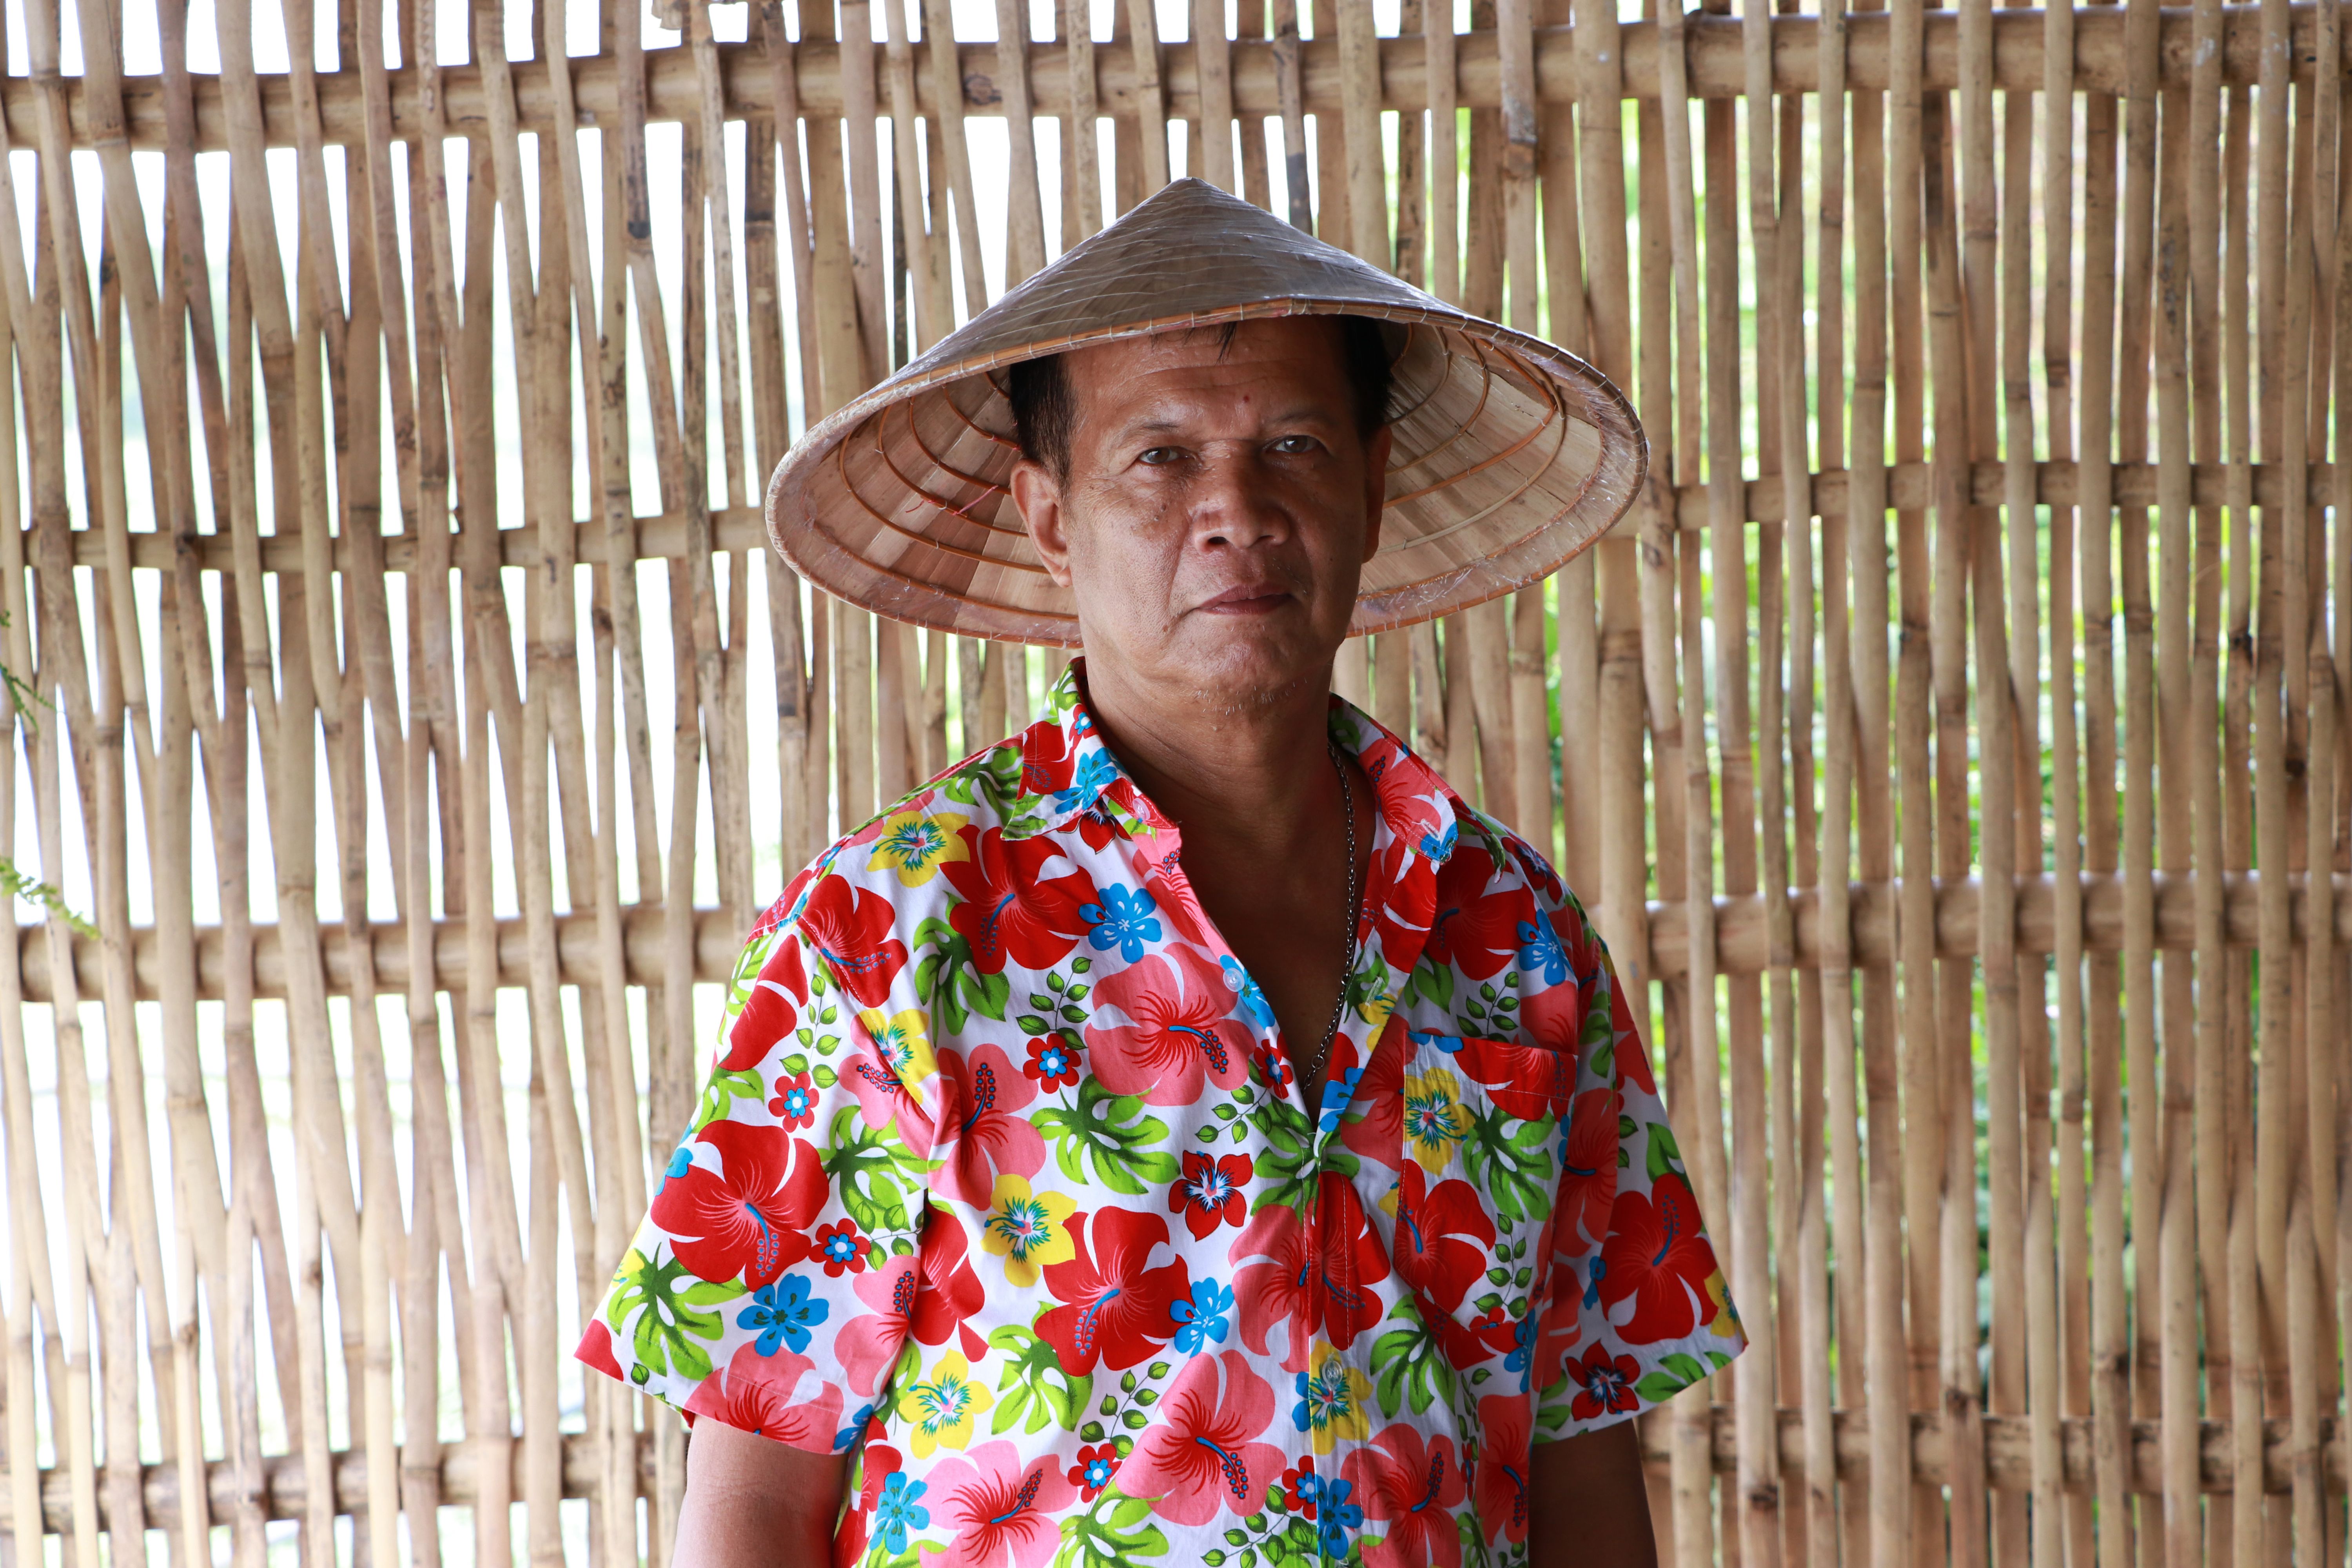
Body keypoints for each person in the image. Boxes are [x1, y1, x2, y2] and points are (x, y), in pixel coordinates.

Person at [578, 178, 1741, 1568]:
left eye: (1296, 444)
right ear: (1050, 514)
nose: (1236, 509)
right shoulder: (885, 933)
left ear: (1371, 487)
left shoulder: (1515, 933)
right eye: (1161, 457)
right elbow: (755, 1501)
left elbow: (1581, 1459)